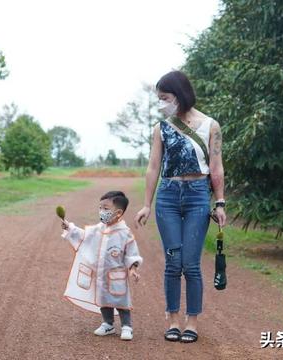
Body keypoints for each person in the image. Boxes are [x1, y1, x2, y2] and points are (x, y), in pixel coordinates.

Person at [134, 70, 227, 343]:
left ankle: (192, 322)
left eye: (165, 98)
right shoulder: (161, 128)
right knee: (173, 264)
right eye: (160, 99)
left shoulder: (211, 126)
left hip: (199, 195)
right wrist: (146, 204)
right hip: (168, 197)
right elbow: (153, 168)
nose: (162, 103)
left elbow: (216, 167)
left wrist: (219, 202)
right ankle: (173, 320)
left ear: (180, 94)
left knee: (191, 264)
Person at [60, 191, 142, 341]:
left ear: (118, 212)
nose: (101, 212)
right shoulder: (99, 228)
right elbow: (84, 236)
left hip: (117, 275)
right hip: (101, 275)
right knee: (103, 299)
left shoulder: (125, 233)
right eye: (100, 208)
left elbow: (132, 253)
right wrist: (69, 228)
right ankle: (108, 324)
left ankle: (126, 326)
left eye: (105, 208)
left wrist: (133, 268)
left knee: (121, 301)